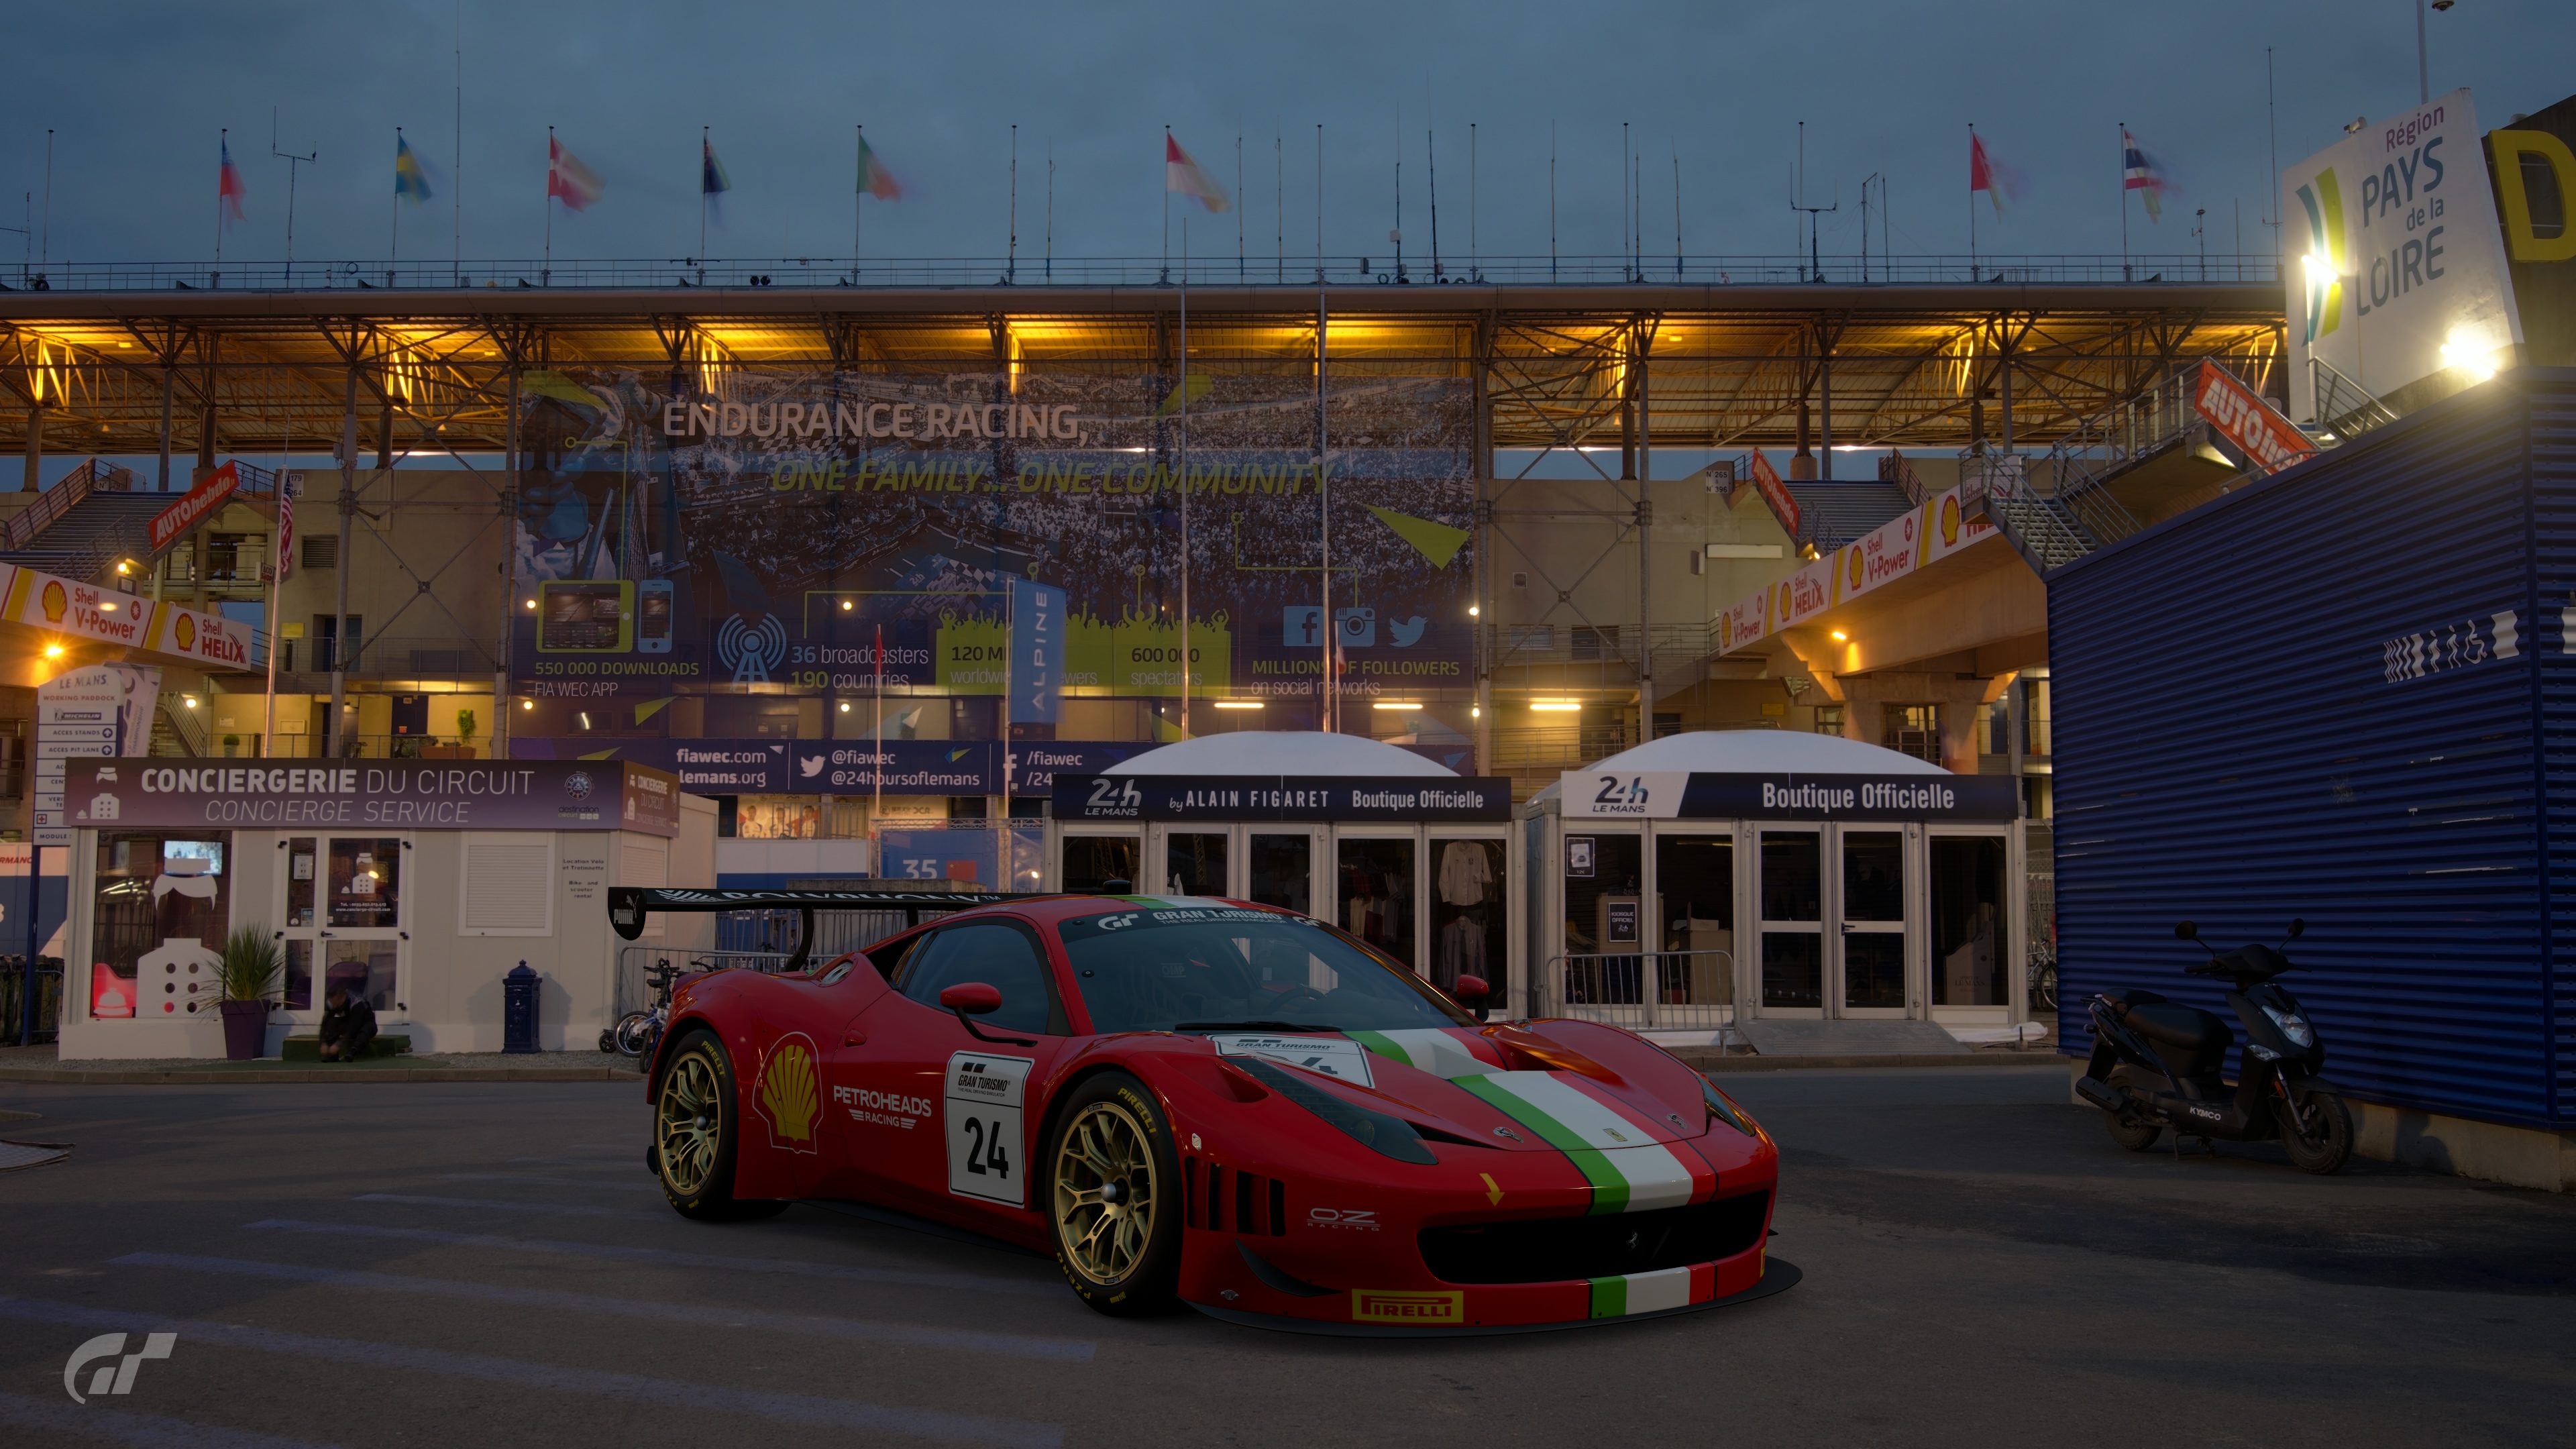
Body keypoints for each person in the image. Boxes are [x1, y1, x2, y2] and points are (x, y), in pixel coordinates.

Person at [317, 987, 377, 1062]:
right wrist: (323, 1042)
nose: (334, 1006)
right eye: (333, 1004)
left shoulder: (357, 1003)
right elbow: (325, 1023)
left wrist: (338, 1044)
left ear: (343, 998)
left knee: (366, 1028)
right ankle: (332, 1056)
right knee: (333, 1022)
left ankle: (352, 1052)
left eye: (337, 1004)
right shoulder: (333, 1002)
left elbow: (354, 1026)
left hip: (365, 1023)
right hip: (350, 1021)